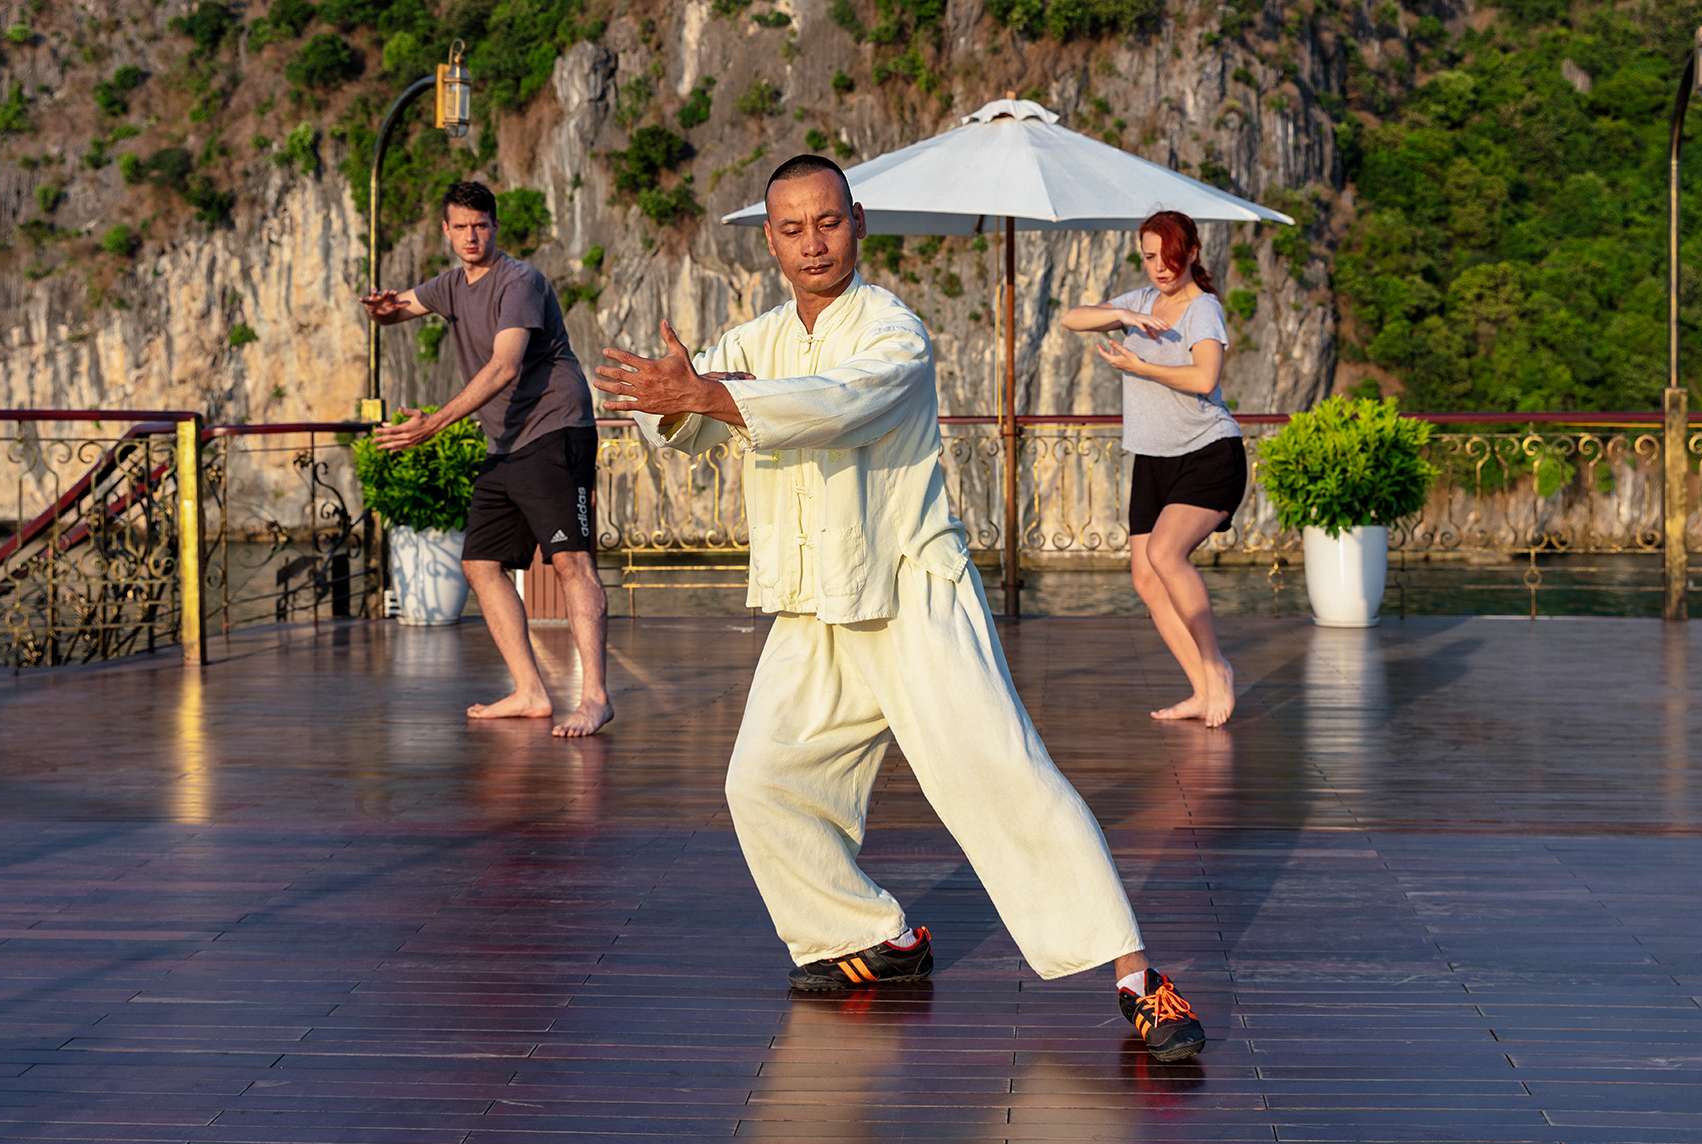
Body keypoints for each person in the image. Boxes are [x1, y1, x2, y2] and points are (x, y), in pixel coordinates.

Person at [595, 155, 1207, 1063]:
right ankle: (868, 937)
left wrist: (709, 394)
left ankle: (1136, 978)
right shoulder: (757, 339)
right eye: (792, 229)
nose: (813, 243)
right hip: (815, 605)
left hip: (913, 593)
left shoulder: (894, 331)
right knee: (763, 782)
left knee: (1003, 775)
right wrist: (672, 394)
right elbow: (675, 420)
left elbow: (834, 406)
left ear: (859, 223)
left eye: (828, 222)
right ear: (771, 242)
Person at [361, 180, 612, 738]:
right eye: (461, 227)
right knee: (479, 563)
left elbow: (504, 366)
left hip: (554, 427)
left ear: (495, 227)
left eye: (480, 226)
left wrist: (433, 424)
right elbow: (399, 308)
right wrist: (381, 312)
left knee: (571, 562)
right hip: (506, 442)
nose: (471, 236)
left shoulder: (519, 282)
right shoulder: (450, 285)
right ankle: (530, 691)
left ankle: (595, 697)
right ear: (446, 231)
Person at [1062, 210, 1244, 728]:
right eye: (1149, 257)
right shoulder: (1140, 301)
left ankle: (1217, 667)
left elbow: (1205, 378)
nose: (1160, 267)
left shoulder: (1203, 309)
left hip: (1209, 453)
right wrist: (1123, 314)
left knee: (1166, 554)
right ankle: (1202, 689)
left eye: (1170, 256)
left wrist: (1141, 366)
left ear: (1192, 253)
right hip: (1153, 459)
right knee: (1146, 577)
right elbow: (1072, 318)